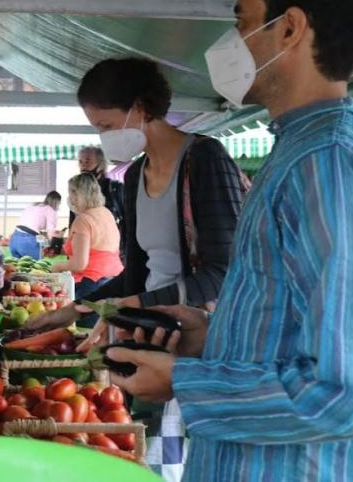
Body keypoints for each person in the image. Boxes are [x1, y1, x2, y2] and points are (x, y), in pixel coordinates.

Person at [106, 0, 353, 481]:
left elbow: (347, 394)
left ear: (289, 28)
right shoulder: (302, 151)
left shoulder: (326, 165)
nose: (233, 41)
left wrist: (184, 384)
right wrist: (215, 339)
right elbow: (308, 330)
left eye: (243, 22)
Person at [27, 57, 244, 480]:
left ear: (141, 108)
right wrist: (78, 309)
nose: (103, 137)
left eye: (106, 126)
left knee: (178, 459)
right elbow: (133, 274)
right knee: (143, 452)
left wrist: (132, 302)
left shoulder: (205, 159)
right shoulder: (135, 175)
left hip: (202, 343)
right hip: (149, 334)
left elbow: (225, 271)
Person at [50, 175, 122, 300]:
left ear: (77, 195)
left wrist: (57, 267)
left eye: (70, 193)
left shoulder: (83, 220)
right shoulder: (106, 213)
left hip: (91, 284)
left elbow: (79, 264)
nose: (70, 198)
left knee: (85, 318)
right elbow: (97, 246)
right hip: (114, 280)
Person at [71, 146, 124, 232]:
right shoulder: (76, 190)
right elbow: (73, 223)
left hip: (110, 242)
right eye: (80, 162)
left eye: (88, 161)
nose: (83, 166)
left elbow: (127, 220)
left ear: (101, 164)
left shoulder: (115, 188)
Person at [9, 190, 61, 259]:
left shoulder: (33, 205)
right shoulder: (50, 209)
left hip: (14, 238)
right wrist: (53, 247)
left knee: (19, 267)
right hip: (27, 241)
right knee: (38, 268)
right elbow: (50, 231)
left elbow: (31, 226)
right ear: (57, 202)